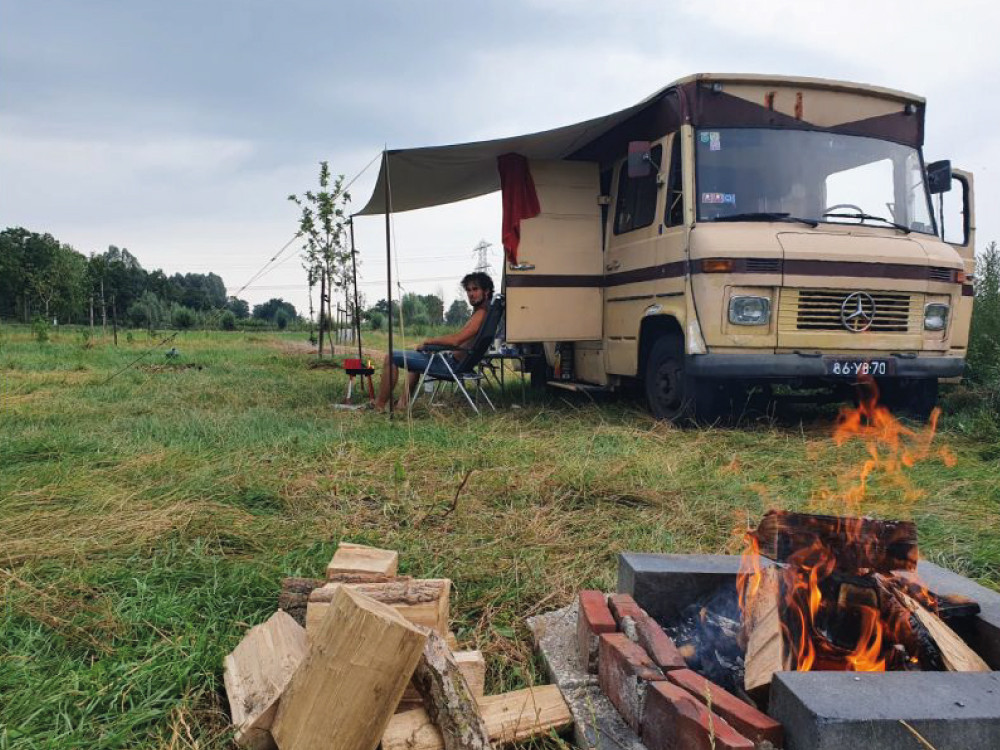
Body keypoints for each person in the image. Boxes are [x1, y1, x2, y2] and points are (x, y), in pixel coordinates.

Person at [374, 272, 494, 411]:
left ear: (486, 291)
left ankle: (379, 406)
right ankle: (402, 404)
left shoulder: (481, 314)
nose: (471, 294)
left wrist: (428, 341)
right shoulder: (485, 313)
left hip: (450, 366)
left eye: (475, 289)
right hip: (456, 363)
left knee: (391, 357)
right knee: (417, 356)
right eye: (468, 290)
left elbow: (456, 340)